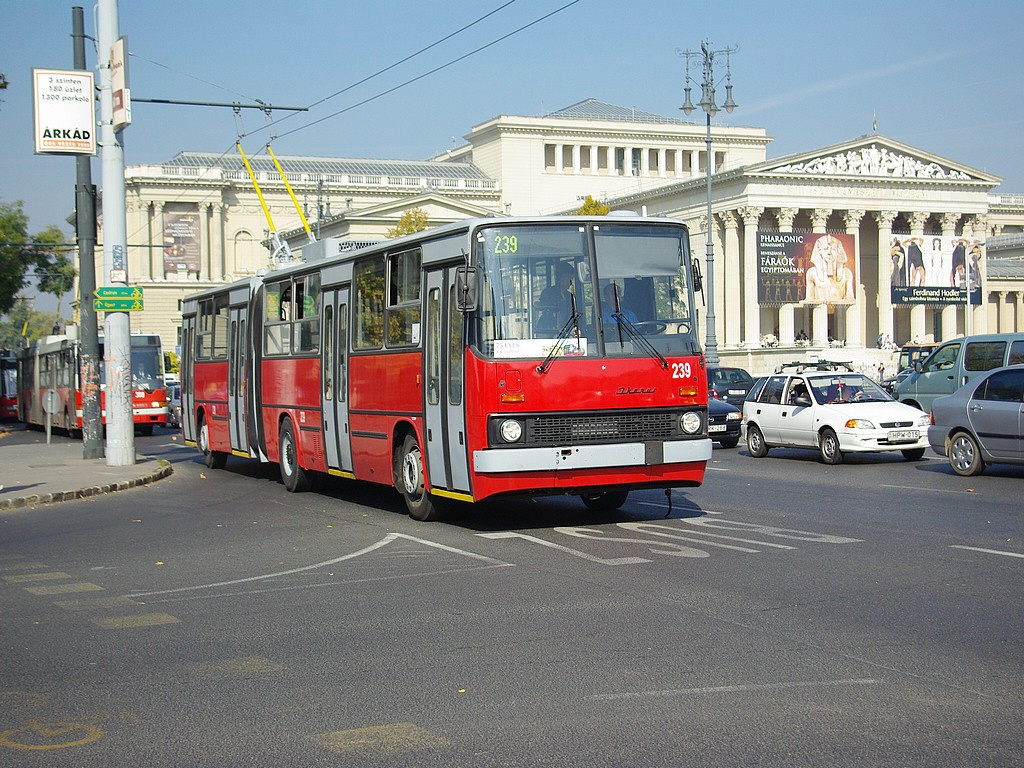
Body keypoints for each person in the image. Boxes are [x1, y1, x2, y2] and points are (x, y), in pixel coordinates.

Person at [537, 263, 575, 331]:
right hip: (548, 330)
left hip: (566, 331)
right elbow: (548, 311)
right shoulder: (548, 293)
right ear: (561, 278)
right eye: (569, 278)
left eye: (572, 278)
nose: (571, 282)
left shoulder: (569, 296)